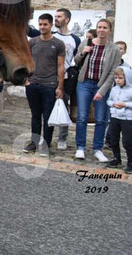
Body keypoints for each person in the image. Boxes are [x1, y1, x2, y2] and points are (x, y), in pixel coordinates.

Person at [73, 18, 121, 162]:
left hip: (101, 85)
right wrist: (83, 53)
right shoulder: (86, 42)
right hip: (84, 83)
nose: (101, 30)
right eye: (99, 27)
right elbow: (76, 61)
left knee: (101, 119)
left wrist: (103, 90)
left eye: (105, 28)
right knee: (82, 117)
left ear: (109, 30)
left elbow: (113, 72)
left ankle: (97, 149)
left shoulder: (114, 49)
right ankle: (80, 147)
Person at [24, 14, 65, 157]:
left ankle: (46, 144)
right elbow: (26, 61)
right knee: (35, 116)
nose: (42, 27)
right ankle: (34, 143)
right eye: (40, 24)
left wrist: (60, 87)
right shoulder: (32, 42)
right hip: (33, 84)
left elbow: (61, 66)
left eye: (45, 24)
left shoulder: (58, 44)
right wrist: (26, 79)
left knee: (48, 117)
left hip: (50, 86)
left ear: (51, 25)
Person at [52, 8, 81, 150]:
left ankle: (62, 138)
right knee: (47, 108)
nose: (56, 18)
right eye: (55, 16)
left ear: (67, 19)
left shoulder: (75, 39)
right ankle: (46, 136)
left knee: (63, 107)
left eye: (59, 16)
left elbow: (76, 59)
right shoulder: (51, 35)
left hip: (66, 78)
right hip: (49, 77)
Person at [105, 67, 132, 172]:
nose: (117, 80)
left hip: (127, 118)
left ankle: (130, 162)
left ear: (127, 78)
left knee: (127, 142)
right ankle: (117, 158)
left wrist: (125, 104)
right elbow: (108, 100)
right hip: (115, 117)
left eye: (120, 78)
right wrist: (113, 104)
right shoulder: (114, 89)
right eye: (116, 78)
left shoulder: (130, 90)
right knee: (113, 139)